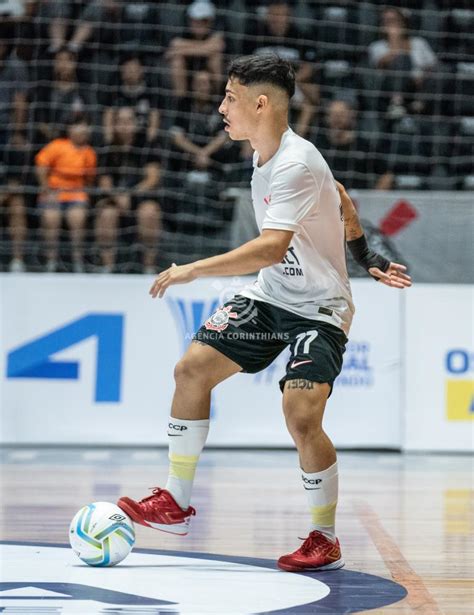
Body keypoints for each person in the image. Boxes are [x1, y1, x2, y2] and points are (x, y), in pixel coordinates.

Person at [117, 55, 411, 571]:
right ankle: (176, 501)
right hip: (271, 297)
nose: (220, 107)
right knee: (190, 371)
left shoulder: (296, 161)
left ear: (260, 103)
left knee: (301, 415)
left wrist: (193, 269)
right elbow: (339, 196)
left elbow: (272, 247)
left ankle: (325, 537)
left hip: (319, 308)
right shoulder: (265, 151)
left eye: (229, 98)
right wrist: (367, 257)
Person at [95, 107, 161, 274]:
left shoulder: (147, 145)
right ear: (114, 124)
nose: (124, 126)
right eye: (120, 121)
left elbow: (152, 179)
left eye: (128, 121)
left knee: (149, 213)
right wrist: (118, 197)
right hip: (114, 201)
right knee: (106, 215)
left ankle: (148, 267)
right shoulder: (108, 148)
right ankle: (107, 267)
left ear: (136, 123)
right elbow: (105, 183)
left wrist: (130, 195)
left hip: (141, 198)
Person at [35, 116, 97, 273]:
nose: (82, 130)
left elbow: (89, 179)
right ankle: (51, 261)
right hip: (53, 193)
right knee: (51, 217)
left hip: (76, 195)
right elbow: (41, 165)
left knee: (77, 217)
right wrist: (46, 189)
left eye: (85, 127)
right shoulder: (58, 145)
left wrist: (81, 192)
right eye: (78, 126)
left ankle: (77, 261)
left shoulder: (89, 152)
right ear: (69, 129)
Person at [166, 1, 225, 98]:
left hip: (208, 68)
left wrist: (183, 49)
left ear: (210, 21)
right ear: (190, 20)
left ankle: (217, 98)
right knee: (177, 62)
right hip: (189, 66)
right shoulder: (182, 30)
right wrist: (206, 47)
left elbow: (217, 46)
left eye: (204, 20)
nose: (199, 24)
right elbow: (175, 44)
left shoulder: (217, 31)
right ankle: (181, 102)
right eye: (196, 20)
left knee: (216, 58)